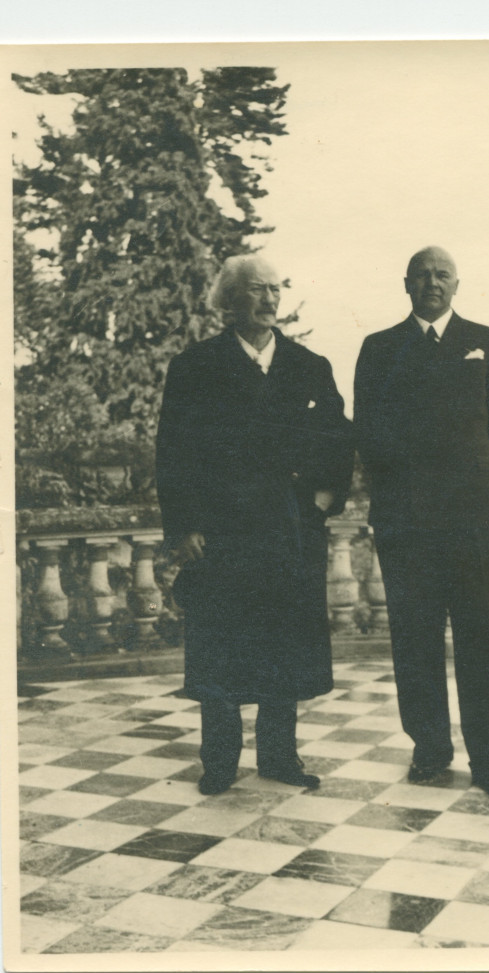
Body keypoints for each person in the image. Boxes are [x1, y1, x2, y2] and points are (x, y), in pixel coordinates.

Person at [156, 255, 353, 794]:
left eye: (276, 289)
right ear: (230, 300)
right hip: (224, 531)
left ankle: (279, 757)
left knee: (283, 642)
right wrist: (187, 524)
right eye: (257, 290)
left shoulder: (309, 365)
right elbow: (174, 452)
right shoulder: (195, 367)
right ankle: (219, 762)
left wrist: (322, 497)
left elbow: (338, 436)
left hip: (290, 530)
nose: (270, 299)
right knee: (221, 643)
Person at [354, 246, 489, 798]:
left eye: (442, 274)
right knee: (414, 636)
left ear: (457, 284)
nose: (432, 282)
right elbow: (369, 434)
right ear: (405, 284)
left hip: (470, 516)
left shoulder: (486, 342)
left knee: (479, 636)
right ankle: (429, 749)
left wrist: (465, 479)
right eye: (422, 275)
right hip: (405, 521)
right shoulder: (379, 349)